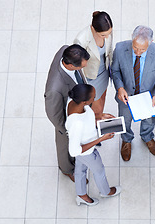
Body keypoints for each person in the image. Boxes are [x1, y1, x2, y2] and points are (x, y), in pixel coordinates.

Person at [111, 25, 155, 161]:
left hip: (148, 97)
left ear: (151, 42)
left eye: (142, 49)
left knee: (148, 120)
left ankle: (147, 137)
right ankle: (126, 140)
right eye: (135, 48)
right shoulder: (120, 48)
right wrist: (120, 87)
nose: (137, 52)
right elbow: (115, 71)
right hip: (126, 96)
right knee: (125, 120)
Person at [66, 84, 121, 206]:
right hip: (87, 152)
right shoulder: (77, 124)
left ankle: (81, 194)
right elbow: (74, 151)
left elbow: (86, 118)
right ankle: (106, 191)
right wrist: (101, 139)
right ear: (85, 101)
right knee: (99, 170)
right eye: (93, 97)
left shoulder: (74, 101)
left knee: (80, 169)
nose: (95, 99)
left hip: (83, 153)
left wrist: (100, 117)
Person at [44, 44, 90, 182]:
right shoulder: (54, 89)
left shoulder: (66, 49)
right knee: (65, 146)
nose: (83, 69)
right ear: (70, 65)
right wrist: (67, 130)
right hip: (66, 119)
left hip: (76, 104)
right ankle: (67, 169)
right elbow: (53, 114)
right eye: (81, 67)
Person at [74, 11, 113, 120]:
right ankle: (96, 120)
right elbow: (78, 65)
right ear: (93, 28)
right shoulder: (81, 40)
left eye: (109, 33)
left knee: (102, 98)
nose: (107, 37)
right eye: (103, 35)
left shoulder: (107, 31)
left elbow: (109, 50)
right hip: (90, 77)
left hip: (103, 71)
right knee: (95, 104)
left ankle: (100, 115)